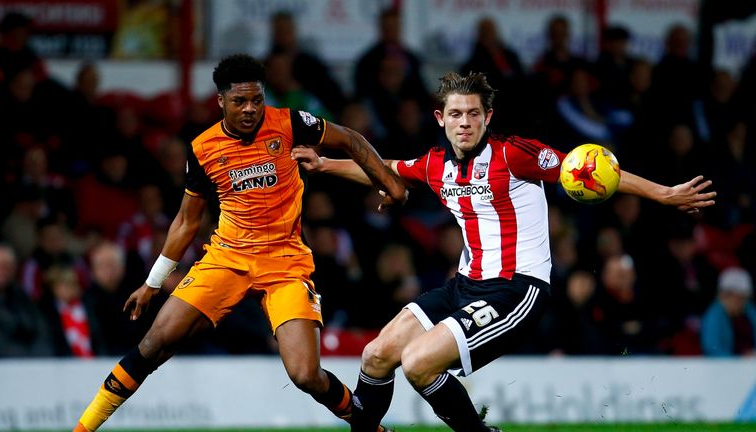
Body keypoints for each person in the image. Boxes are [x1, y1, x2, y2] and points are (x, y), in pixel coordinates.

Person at [291, 71, 716, 431]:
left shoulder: (515, 155)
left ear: (487, 117)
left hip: (516, 290)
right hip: (464, 286)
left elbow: (588, 169)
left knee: (419, 363)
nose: (464, 123)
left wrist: (664, 193)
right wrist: (325, 164)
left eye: (473, 113)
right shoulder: (436, 164)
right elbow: (384, 170)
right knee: (377, 354)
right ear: (440, 119)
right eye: (455, 114)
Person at [72, 53, 406, 432]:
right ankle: (82, 429)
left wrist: (390, 183)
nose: (250, 109)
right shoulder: (203, 148)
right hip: (227, 258)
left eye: (256, 100)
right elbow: (186, 221)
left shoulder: (289, 123)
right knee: (154, 344)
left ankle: (371, 429)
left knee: (305, 374)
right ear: (221, 102)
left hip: (285, 261)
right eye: (239, 102)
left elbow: (349, 138)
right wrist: (152, 283)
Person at [700, 267, 756, 356]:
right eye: (732, 296)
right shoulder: (714, 317)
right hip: (727, 366)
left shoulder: (751, 312)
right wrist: (740, 360)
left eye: (742, 297)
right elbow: (712, 350)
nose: (737, 301)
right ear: (722, 295)